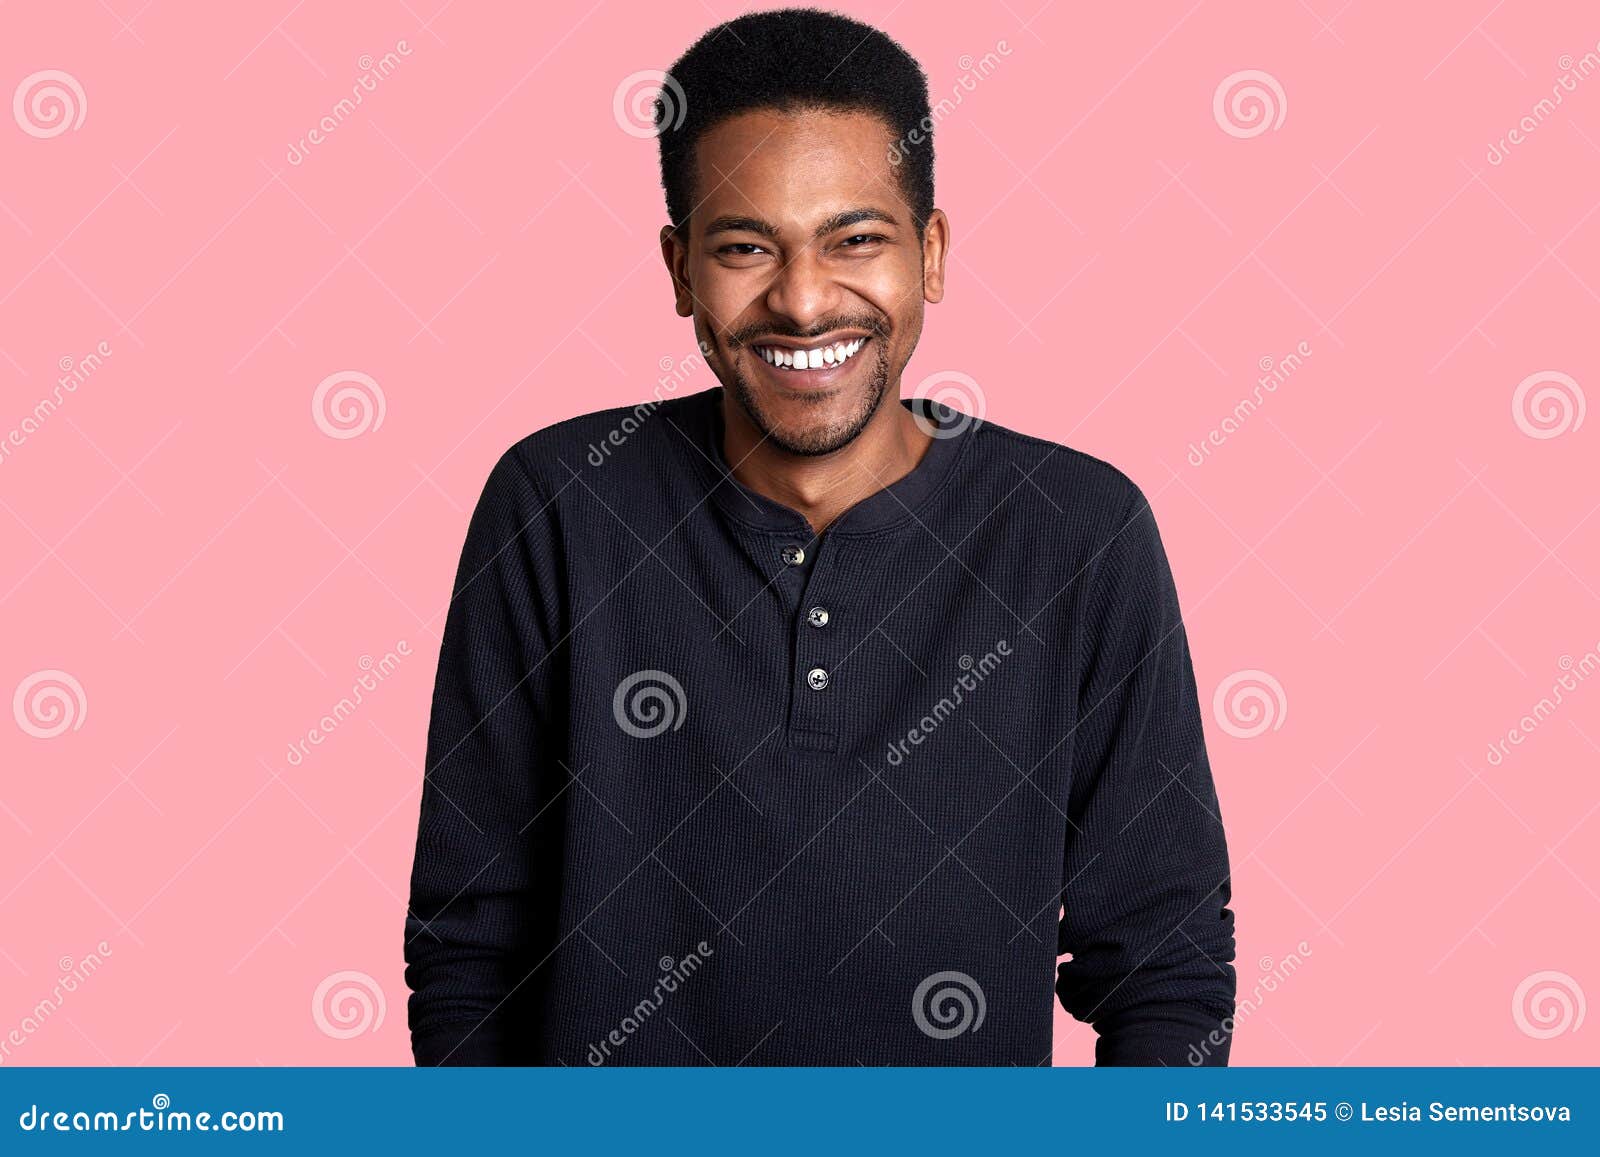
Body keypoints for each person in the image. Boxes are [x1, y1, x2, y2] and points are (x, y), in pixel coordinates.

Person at [404, 7, 1236, 1066]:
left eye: (855, 240)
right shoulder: (561, 503)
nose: (801, 301)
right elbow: (471, 946)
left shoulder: (1077, 530)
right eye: (746, 246)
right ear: (678, 269)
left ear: (929, 252)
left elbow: (1164, 962)